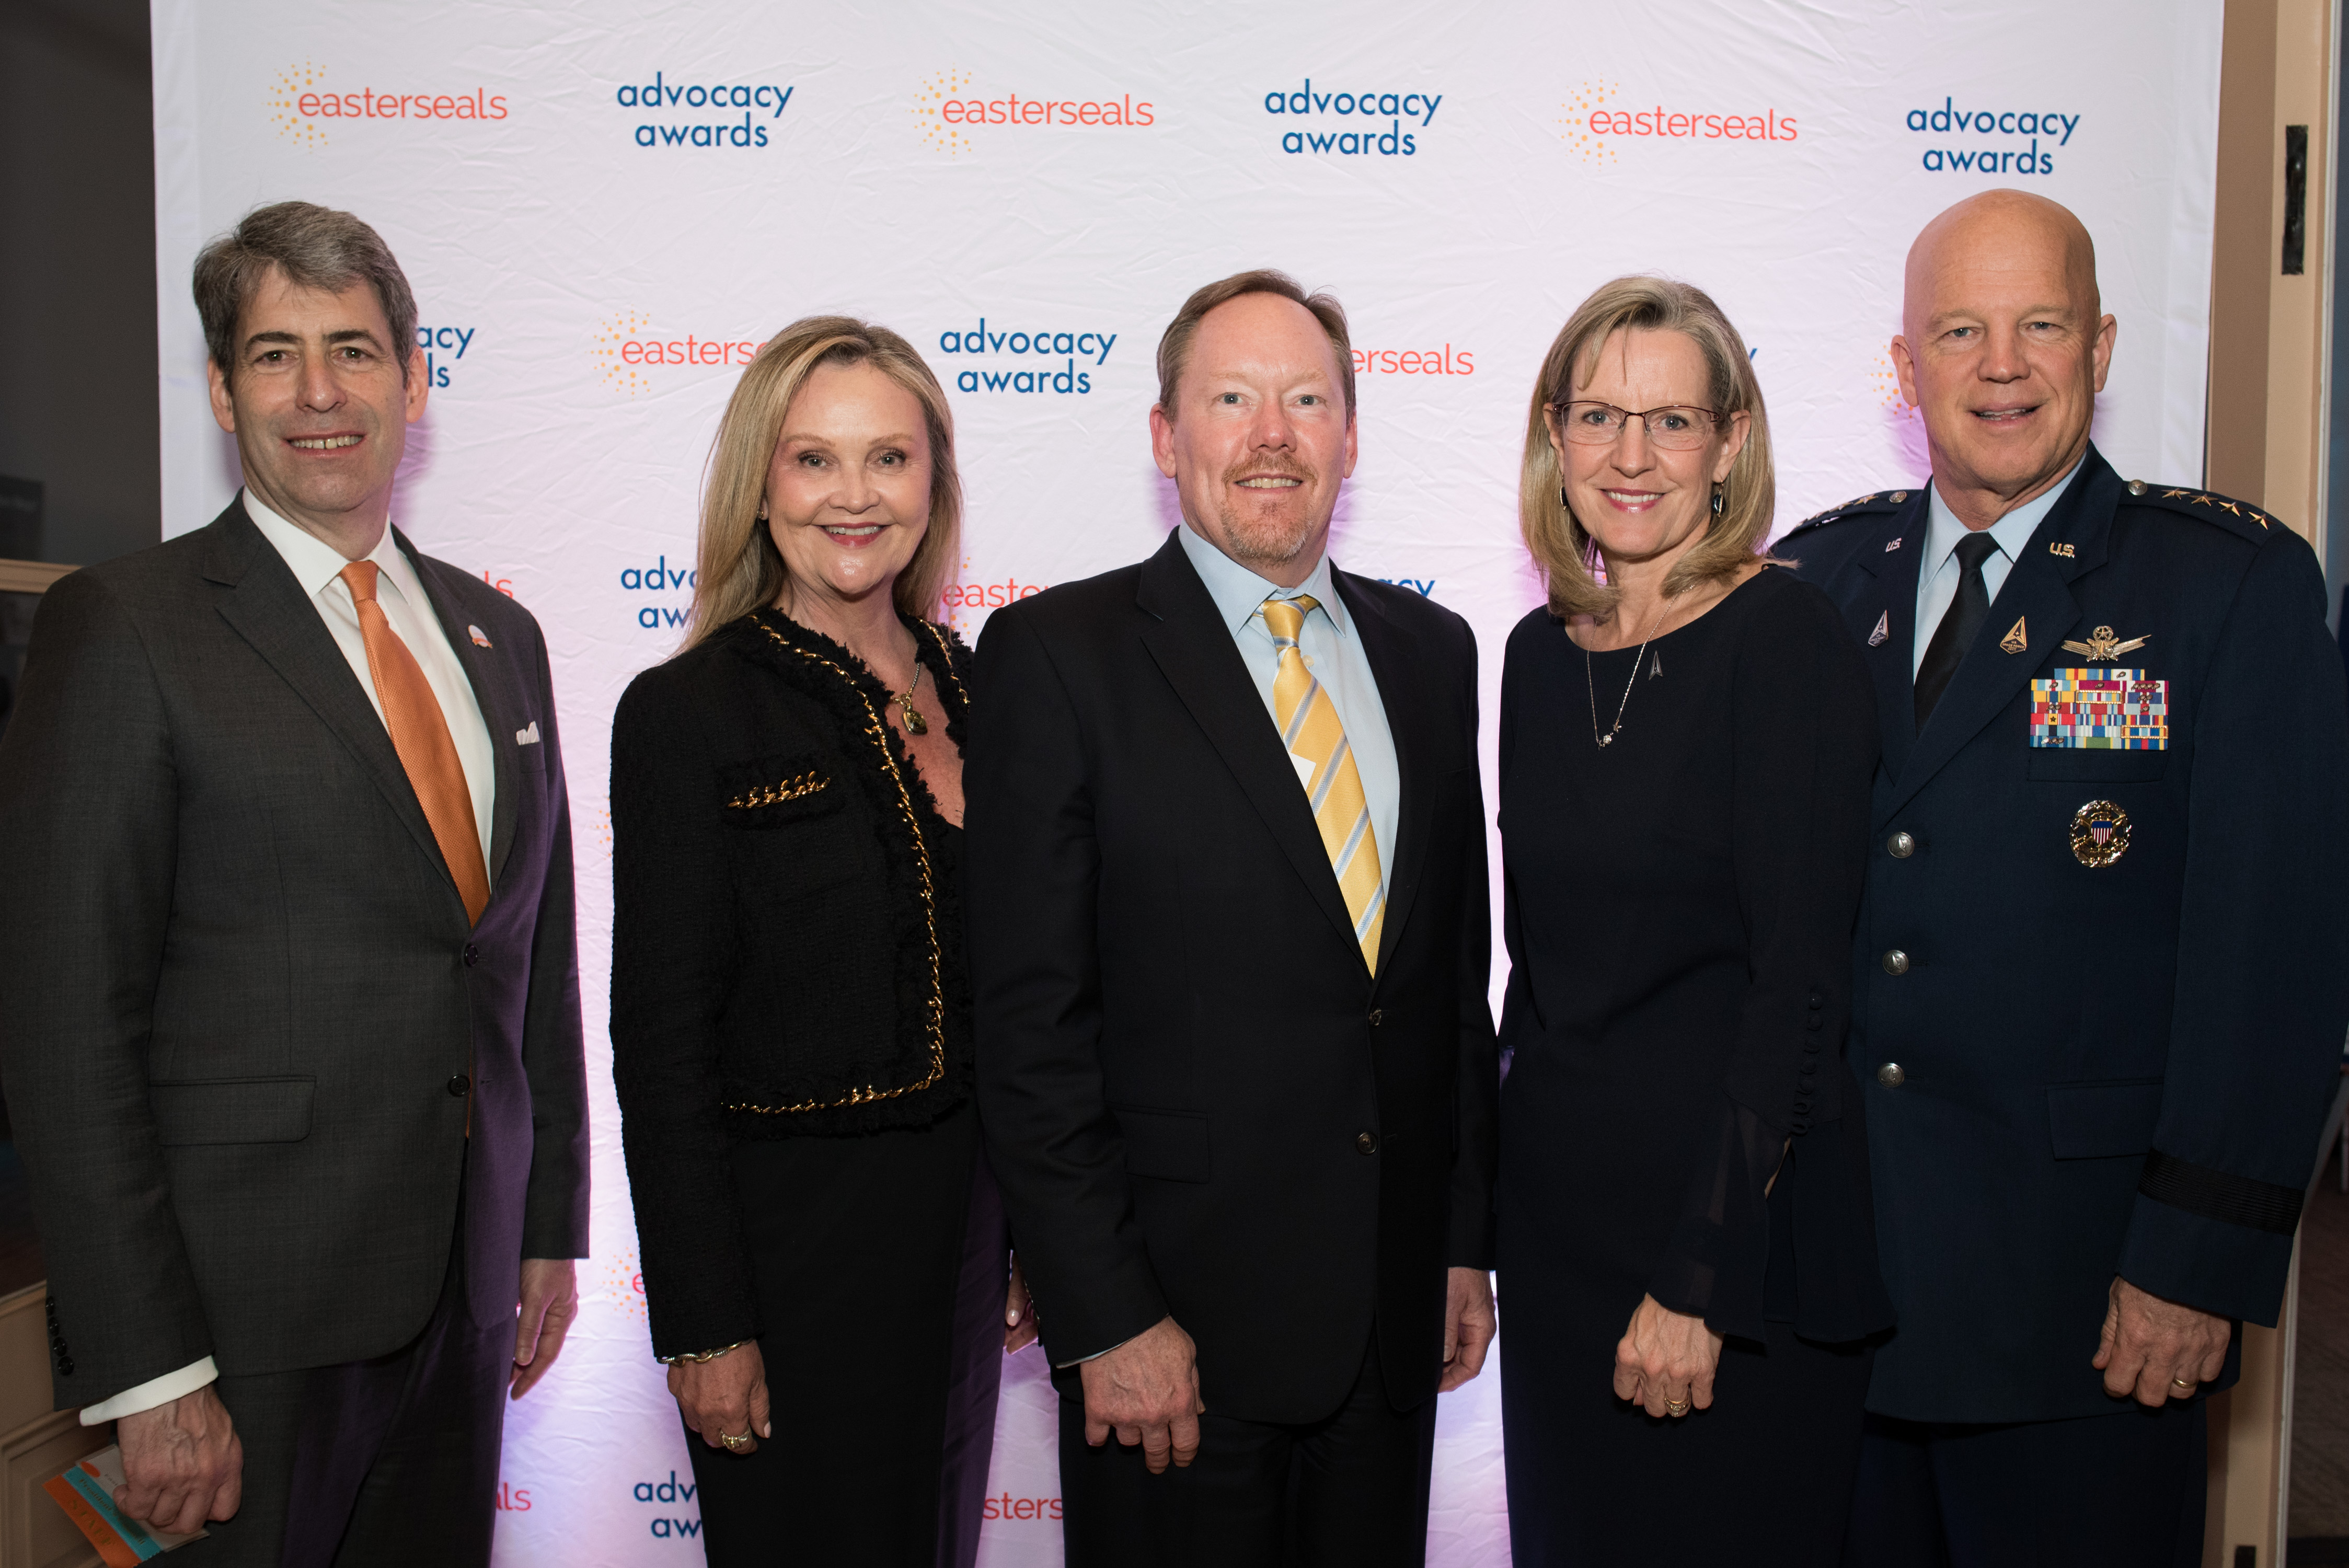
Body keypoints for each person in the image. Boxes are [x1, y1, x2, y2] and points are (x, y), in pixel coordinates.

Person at [0, 201, 589, 1563]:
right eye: (274, 355)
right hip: (237, 1331)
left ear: (414, 379)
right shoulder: (126, 628)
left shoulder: (503, 638)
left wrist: (543, 1216)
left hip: (467, 1300)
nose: (319, 393)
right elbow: (67, 1026)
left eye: (353, 351)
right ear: (220, 390)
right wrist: (151, 1375)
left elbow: (526, 962)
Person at [1783, 189, 2349, 1564]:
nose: (1998, 365)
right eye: (1959, 329)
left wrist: (2190, 1262)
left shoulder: (2221, 586)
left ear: (2097, 343)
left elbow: (2268, 954)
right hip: (1834, 1302)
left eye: (2037, 324)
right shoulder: (1810, 578)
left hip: (2086, 1309)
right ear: (1900, 364)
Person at [966, 270, 1499, 1567]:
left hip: (1388, 1332)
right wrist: (1104, 1316)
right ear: (1167, 438)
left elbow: (1447, 986)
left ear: (1352, 437)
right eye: (1232, 399)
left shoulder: (1435, 654)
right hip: (1174, 1348)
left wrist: (1462, 1244)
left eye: (1308, 399)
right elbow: (1031, 1023)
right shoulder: (1056, 656)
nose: (1273, 434)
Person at [609, 316, 1028, 1568]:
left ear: (934, 484)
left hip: (963, 1238)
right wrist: (702, 1324)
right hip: (789, 1259)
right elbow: (660, 1043)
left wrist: (1033, 1236)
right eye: (814, 460)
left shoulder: (989, 688)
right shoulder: (688, 710)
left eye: (889, 460)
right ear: (760, 484)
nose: (854, 496)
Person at [1493, 276, 1893, 1563]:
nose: (1630, 456)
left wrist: (1697, 1278)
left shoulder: (1788, 639)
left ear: (1731, 443)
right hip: (1562, 1252)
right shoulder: (1535, 656)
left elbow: (1799, 987)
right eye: (1600, 414)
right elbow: (1540, 978)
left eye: (1671, 421)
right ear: (1556, 436)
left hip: (1727, 1254)